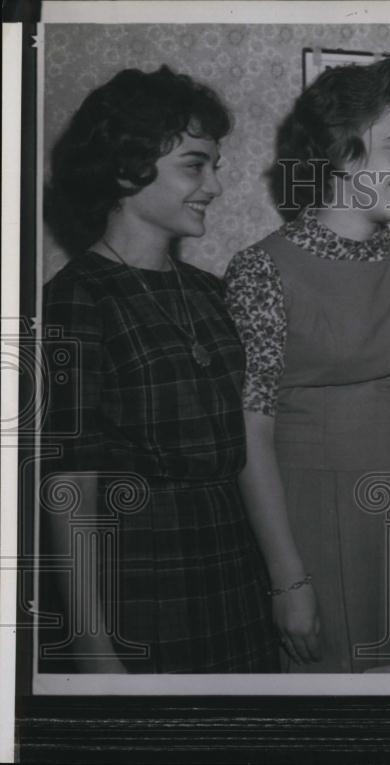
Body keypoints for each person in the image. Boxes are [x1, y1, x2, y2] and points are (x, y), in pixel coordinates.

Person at [223, 58, 390, 673]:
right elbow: (250, 435)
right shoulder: (261, 269)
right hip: (300, 518)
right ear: (339, 151)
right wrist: (287, 581)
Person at [41, 66, 278, 673]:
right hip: (142, 576)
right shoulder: (74, 299)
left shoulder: (209, 291)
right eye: (196, 165)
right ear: (126, 170)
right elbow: (70, 487)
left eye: (215, 165)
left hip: (232, 564)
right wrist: (95, 649)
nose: (216, 186)